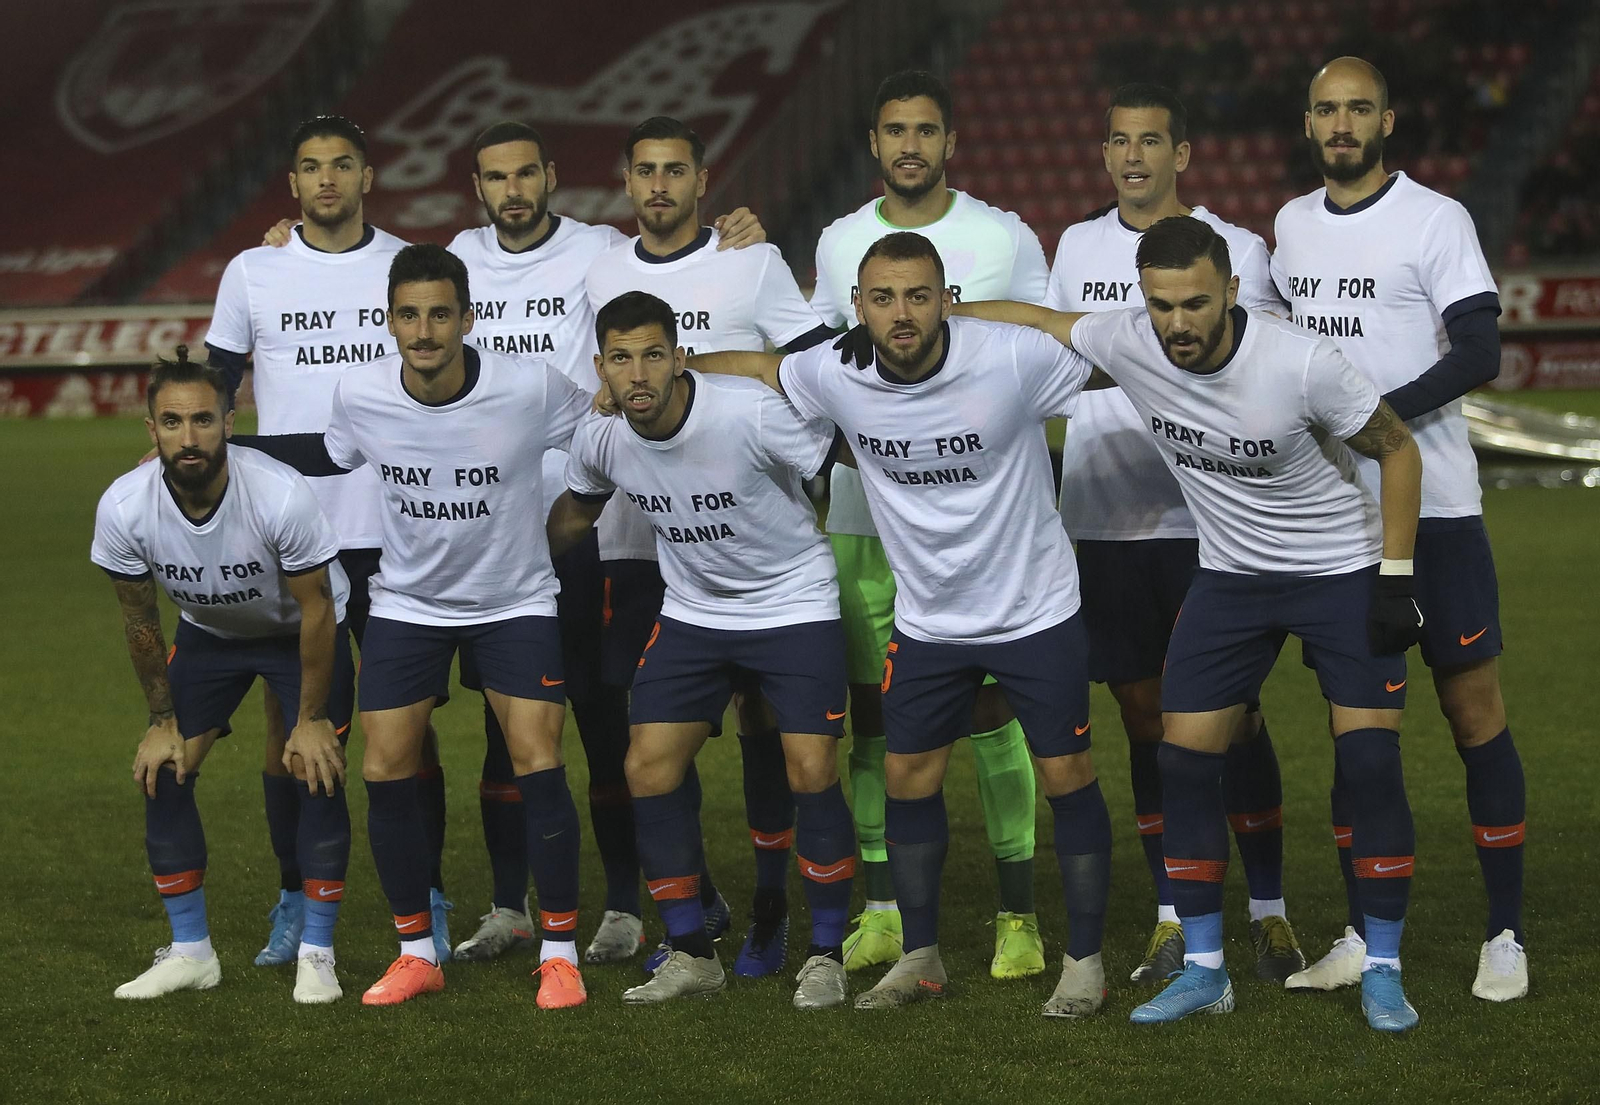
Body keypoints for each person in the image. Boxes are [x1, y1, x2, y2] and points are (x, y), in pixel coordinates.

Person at [258, 121, 769, 966]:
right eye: (497, 177)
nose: (514, 189)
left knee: (601, 719)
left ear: (552, 176)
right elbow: (369, 270)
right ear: (478, 187)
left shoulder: (601, 249)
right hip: (479, 541)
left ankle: (624, 904)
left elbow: (672, 256)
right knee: (508, 737)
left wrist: (734, 235)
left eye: (527, 173)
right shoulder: (457, 253)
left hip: (578, 528)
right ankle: (508, 904)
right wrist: (287, 243)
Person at [956, 215, 1426, 1032]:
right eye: (1162, 303)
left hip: (1338, 571)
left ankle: (1383, 966)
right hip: (1232, 577)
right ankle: (1207, 967)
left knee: (1371, 761)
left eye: (1196, 303)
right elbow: (1041, 321)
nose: (1178, 322)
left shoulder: (1301, 360)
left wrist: (1394, 578)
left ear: (1233, 292)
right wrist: (934, 318)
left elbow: (1398, 447)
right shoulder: (1131, 337)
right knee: (1181, 759)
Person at [687, 232, 1115, 1019]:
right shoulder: (835, 370)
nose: (901, 313)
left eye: (920, 295)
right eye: (882, 298)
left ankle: (1084, 960)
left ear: (947, 298)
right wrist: (670, 370)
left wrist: (1007, 315)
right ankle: (921, 955)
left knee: (1068, 776)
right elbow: (757, 367)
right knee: (906, 778)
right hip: (929, 622)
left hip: (1036, 610)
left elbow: (1110, 350)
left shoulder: (1010, 358)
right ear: (858, 307)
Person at [235, 244, 594, 1008]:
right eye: (408, 314)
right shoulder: (362, 392)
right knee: (383, 765)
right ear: (389, 320)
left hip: (515, 599)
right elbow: (327, 456)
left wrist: (570, 520)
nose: (424, 329)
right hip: (408, 603)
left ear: (468, 317)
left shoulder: (528, 385)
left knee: (538, 759)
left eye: (440, 313)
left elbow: (599, 434)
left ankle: (560, 950)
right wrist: (227, 446)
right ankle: (415, 949)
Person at [1273, 56, 1527, 1002]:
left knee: (1475, 719)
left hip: (1442, 510)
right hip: (1338, 525)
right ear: (1309, 124)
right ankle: (1357, 931)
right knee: (1360, 740)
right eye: (1328, 112)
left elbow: (1481, 349)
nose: (1343, 126)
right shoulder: (1290, 229)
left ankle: (1504, 935)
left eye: (1359, 110)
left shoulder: (1435, 219)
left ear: (1389, 118)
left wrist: (1373, 413)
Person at [1045, 82, 1302, 984]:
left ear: (1182, 154)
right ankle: (1170, 912)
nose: (1134, 156)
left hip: (1211, 519)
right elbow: (1056, 357)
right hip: (1106, 517)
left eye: (1151, 140)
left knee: (1237, 718)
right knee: (1143, 716)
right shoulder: (1075, 245)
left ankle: (1268, 910)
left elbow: (1261, 363)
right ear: (1105, 153)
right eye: (1119, 141)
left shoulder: (1238, 249)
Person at [548, 290, 855, 1009]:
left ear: (680, 356)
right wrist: (519, 555)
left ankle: (826, 953)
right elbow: (576, 509)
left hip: (792, 601)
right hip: (694, 611)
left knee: (811, 767)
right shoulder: (601, 438)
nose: (639, 374)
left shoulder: (744, 411)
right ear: (601, 368)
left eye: (653, 354)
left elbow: (835, 453)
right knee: (646, 767)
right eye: (621, 359)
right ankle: (692, 951)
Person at [809, 70, 1051, 979]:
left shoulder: (1003, 237)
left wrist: (966, 317)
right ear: (874, 144)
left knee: (991, 711)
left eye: (926, 130)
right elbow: (815, 357)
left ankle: (1016, 916)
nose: (910, 145)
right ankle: (880, 906)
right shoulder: (838, 243)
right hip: (865, 517)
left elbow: (1045, 339)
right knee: (873, 714)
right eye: (893, 130)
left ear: (951, 142)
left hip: (980, 523)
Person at [585, 115, 836, 979]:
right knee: (652, 742)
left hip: (759, 532)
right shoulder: (598, 266)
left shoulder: (750, 260)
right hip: (645, 541)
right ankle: (695, 916)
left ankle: (774, 905)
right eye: (644, 170)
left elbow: (808, 366)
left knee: (771, 735)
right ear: (627, 181)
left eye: (675, 171)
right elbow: (586, 395)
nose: (659, 185)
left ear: (702, 181)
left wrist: (710, 380)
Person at [205, 114, 452, 964]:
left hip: (396, 530)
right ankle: (293, 897)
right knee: (291, 724)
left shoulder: (408, 268)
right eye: (310, 166)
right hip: (289, 535)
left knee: (405, 730)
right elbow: (216, 382)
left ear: (368, 175)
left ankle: (428, 898)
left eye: (342, 164)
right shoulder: (255, 269)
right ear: (292, 183)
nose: (327, 180)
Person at [93, 348, 354, 1004]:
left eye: (204, 420)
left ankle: (318, 955)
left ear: (229, 422)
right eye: (173, 422)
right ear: (151, 428)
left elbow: (318, 609)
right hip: (210, 636)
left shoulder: (278, 493)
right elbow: (140, 621)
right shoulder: (125, 506)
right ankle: (191, 952)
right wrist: (162, 721)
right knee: (165, 770)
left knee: (314, 769)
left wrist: (312, 716)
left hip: (299, 633)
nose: (190, 437)